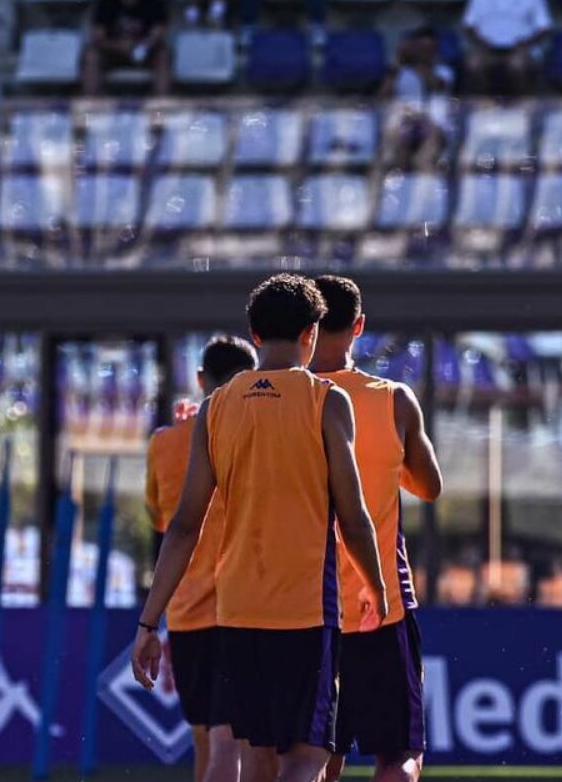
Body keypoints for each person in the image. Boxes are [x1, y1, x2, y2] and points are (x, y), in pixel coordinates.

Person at [132, 274, 388, 782]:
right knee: (305, 759)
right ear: (311, 335)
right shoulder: (326, 400)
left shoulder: (216, 408)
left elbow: (183, 525)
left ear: (253, 334)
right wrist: (377, 587)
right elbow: (354, 514)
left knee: (258, 758)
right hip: (305, 611)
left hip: (236, 613)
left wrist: (148, 622)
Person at [310, 276, 443, 782]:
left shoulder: (294, 403)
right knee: (398, 755)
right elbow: (430, 486)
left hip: (309, 608)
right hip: (382, 605)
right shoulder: (394, 399)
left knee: (317, 756)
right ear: (359, 326)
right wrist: (387, 464)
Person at [145, 336, 257, 782]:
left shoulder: (166, 442)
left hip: (187, 611)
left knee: (206, 743)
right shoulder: (251, 435)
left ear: (199, 380)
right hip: (240, 608)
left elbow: (159, 519)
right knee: (232, 743)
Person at [381, 27, 454, 170]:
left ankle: (425, 190)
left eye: (429, 48)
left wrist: (419, 63)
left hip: (433, 124)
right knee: (395, 156)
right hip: (405, 122)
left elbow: (436, 86)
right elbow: (382, 96)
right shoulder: (401, 72)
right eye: (421, 48)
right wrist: (398, 64)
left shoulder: (444, 71)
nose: (425, 52)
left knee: (424, 159)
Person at [82, 0, 170, 96]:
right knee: (91, 56)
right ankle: (91, 100)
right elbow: (98, 37)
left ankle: (160, 101)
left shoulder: (153, 2)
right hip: (113, 52)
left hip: (144, 52)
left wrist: (139, 46)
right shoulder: (106, 3)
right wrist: (119, 46)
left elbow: (159, 33)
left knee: (163, 55)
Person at [462, 0, 551, 94]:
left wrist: (527, 43)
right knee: (474, 64)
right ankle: (486, 102)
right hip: (487, 47)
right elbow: (468, 26)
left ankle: (520, 104)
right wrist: (481, 42)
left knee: (517, 65)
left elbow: (544, 27)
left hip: (521, 48)